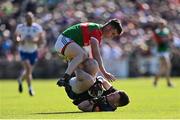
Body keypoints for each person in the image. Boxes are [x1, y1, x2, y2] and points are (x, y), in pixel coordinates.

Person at [55, 19, 123, 87]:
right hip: (63, 40)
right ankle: (65, 78)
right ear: (109, 27)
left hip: (68, 45)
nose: (111, 37)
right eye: (113, 34)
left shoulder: (98, 32)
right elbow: (96, 54)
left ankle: (78, 85)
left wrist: (93, 68)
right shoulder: (96, 30)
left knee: (90, 63)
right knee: (82, 55)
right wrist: (104, 73)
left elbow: (92, 55)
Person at [62, 58, 130, 112]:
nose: (111, 94)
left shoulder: (104, 108)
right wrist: (99, 82)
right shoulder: (112, 92)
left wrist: (94, 100)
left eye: (113, 96)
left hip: (75, 92)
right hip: (80, 82)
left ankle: (72, 62)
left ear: (116, 104)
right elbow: (101, 78)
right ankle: (74, 60)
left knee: (89, 80)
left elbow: (81, 106)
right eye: (114, 93)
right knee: (93, 64)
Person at [14, 12, 44, 96]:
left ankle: (20, 80)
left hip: (33, 51)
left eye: (30, 18)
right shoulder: (20, 27)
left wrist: (34, 40)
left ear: (33, 18)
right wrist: (20, 40)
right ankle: (30, 89)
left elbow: (40, 40)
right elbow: (16, 36)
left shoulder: (37, 27)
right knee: (28, 69)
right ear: (25, 19)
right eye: (27, 18)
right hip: (23, 51)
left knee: (28, 71)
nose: (29, 20)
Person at [152, 19, 174, 87]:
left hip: (166, 50)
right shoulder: (157, 32)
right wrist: (165, 40)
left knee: (163, 68)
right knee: (167, 65)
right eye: (161, 24)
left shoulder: (166, 31)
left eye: (163, 24)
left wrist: (170, 39)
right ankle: (168, 82)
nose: (162, 25)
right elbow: (157, 42)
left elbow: (170, 39)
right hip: (161, 51)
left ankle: (156, 80)